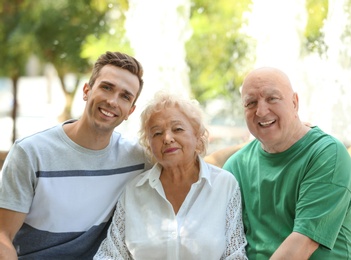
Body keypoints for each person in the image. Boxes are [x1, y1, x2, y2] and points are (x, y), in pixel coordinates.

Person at [0, 51, 153, 259]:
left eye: (125, 96)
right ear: (86, 91)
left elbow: (189, 170)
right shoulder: (31, 153)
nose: (112, 101)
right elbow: (3, 236)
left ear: (130, 111)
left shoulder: (138, 160)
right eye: (106, 87)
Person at [223, 67, 351, 259]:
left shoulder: (327, 154)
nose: (261, 111)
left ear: (294, 103)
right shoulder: (236, 166)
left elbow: (301, 246)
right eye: (251, 103)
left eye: (272, 98)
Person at [94, 92, 248, 259]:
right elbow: (111, 254)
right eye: (157, 133)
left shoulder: (224, 185)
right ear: (149, 143)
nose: (167, 138)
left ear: (197, 136)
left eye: (178, 129)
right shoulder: (134, 190)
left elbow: (235, 255)